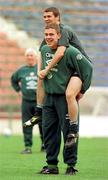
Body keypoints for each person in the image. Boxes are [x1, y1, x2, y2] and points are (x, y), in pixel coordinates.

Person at [24, 7, 91, 145]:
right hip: (65, 69)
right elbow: (41, 53)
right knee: (41, 79)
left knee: (69, 94)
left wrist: (46, 70)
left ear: (58, 17)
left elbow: (60, 52)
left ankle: (73, 128)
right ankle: (38, 112)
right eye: (44, 17)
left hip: (78, 68)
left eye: (49, 16)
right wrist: (40, 72)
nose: (46, 19)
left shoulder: (63, 30)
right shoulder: (48, 34)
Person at [38, 24, 93, 175]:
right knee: (49, 133)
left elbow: (88, 69)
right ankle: (51, 165)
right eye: (46, 34)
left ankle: (70, 166)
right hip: (49, 99)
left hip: (64, 100)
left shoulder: (71, 52)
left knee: (69, 133)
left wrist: (82, 89)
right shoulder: (43, 50)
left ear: (59, 36)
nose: (48, 37)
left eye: (51, 35)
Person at [11, 48, 44, 154]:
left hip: (39, 102)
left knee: (42, 124)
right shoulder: (21, 70)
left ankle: (45, 145)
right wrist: (18, 90)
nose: (29, 57)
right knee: (27, 124)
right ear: (25, 57)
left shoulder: (40, 68)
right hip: (26, 102)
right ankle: (28, 146)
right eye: (28, 55)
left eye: (31, 55)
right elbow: (13, 80)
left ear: (35, 57)